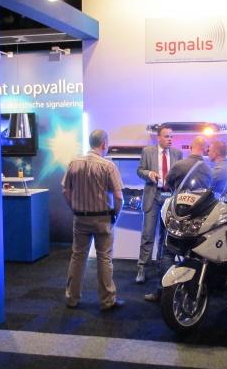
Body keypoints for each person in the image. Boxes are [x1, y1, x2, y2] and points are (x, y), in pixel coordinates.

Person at [144, 135, 211, 303]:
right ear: (204, 149)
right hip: (197, 219)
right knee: (194, 254)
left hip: (177, 215)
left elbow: (167, 183)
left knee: (168, 252)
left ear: (191, 147)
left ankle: (163, 291)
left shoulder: (179, 165)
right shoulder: (208, 169)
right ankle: (190, 291)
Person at [63, 129, 124, 311]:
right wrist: (115, 215)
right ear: (104, 144)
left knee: (77, 256)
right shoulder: (108, 166)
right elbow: (119, 196)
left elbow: (65, 190)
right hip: (103, 219)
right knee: (104, 258)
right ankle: (107, 301)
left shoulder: (74, 163)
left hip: (80, 218)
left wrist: (74, 208)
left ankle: (71, 298)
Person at [135, 125, 183, 284]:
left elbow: (181, 175)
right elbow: (139, 170)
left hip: (169, 198)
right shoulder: (147, 151)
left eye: (171, 136)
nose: (170, 139)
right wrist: (149, 173)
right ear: (159, 138)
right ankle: (142, 267)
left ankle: (162, 266)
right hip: (153, 196)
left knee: (165, 235)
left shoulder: (177, 153)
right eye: (167, 136)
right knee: (148, 234)